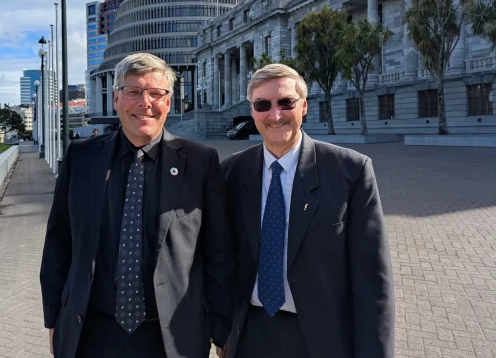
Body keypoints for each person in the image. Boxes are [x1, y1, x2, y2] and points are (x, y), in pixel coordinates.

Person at [40, 53, 234, 358]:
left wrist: (221, 330)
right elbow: (58, 242)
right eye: (133, 92)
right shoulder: (81, 158)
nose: (145, 103)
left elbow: (218, 253)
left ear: (168, 102)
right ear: (117, 99)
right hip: (91, 332)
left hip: (172, 337)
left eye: (156, 94)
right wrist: (54, 318)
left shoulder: (201, 162)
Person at [221, 64, 394, 358]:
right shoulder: (231, 173)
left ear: (303, 107)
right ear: (252, 112)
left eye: (285, 102)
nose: (275, 115)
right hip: (249, 335)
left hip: (322, 339)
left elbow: (372, 279)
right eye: (263, 105)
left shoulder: (350, 171)